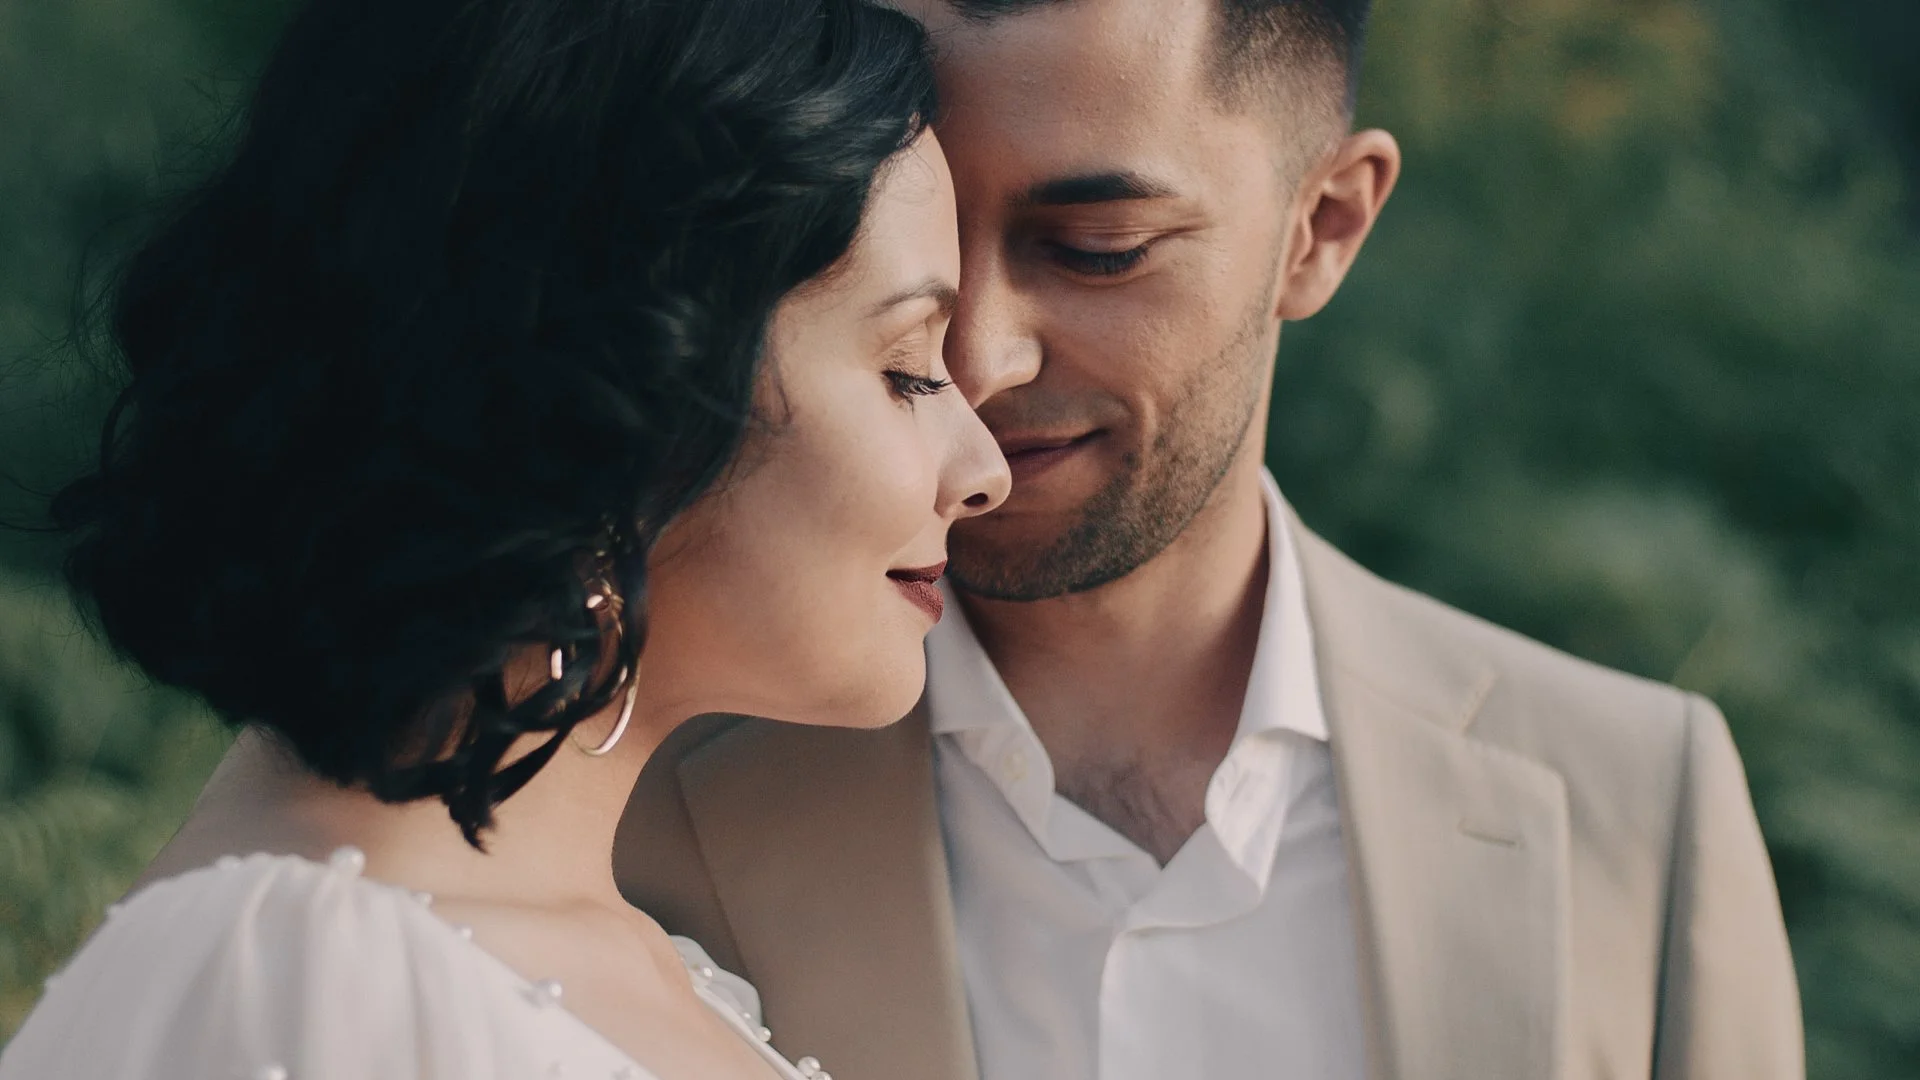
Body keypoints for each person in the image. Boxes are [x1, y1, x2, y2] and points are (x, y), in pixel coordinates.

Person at [615, 1, 1805, 1079]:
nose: (975, 360)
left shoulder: (1638, 804)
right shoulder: (625, 776)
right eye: (898, 267)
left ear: (1322, 227)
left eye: (1096, 250)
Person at [0, 0, 1009, 1077]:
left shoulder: (609, 956)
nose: (983, 470)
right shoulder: (306, 974)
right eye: (908, 367)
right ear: (626, 396)